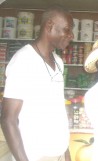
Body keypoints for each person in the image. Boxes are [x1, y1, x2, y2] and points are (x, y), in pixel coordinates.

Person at [0, 5, 74, 161]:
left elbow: (57, 110)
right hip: (34, 155)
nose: (71, 35)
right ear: (49, 26)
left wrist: (65, 153)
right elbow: (8, 119)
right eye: (67, 29)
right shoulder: (24, 60)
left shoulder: (59, 62)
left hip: (59, 153)